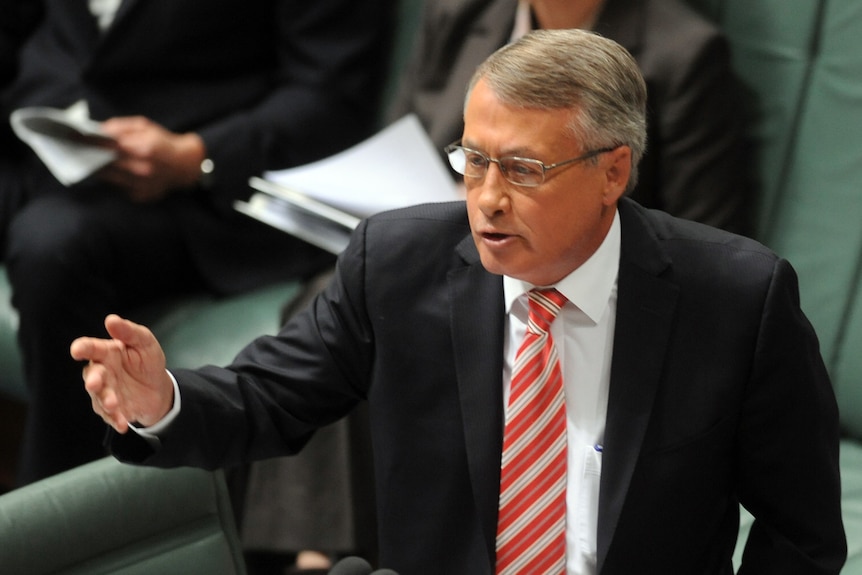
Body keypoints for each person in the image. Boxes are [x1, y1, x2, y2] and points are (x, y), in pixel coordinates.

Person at [73, 30, 846, 574]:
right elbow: (266, 398)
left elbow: (802, 535)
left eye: (522, 169)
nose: (486, 200)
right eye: (473, 161)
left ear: (614, 172)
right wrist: (161, 397)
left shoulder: (739, 299)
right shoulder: (396, 264)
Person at [0, 0, 393, 486]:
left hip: (209, 189)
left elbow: (331, 96)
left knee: (50, 246)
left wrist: (198, 157)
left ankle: (63, 526)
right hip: (37, 143)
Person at [388, 0, 754, 235]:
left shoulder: (684, 55)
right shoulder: (456, 11)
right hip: (423, 247)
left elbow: (702, 236)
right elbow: (394, 153)